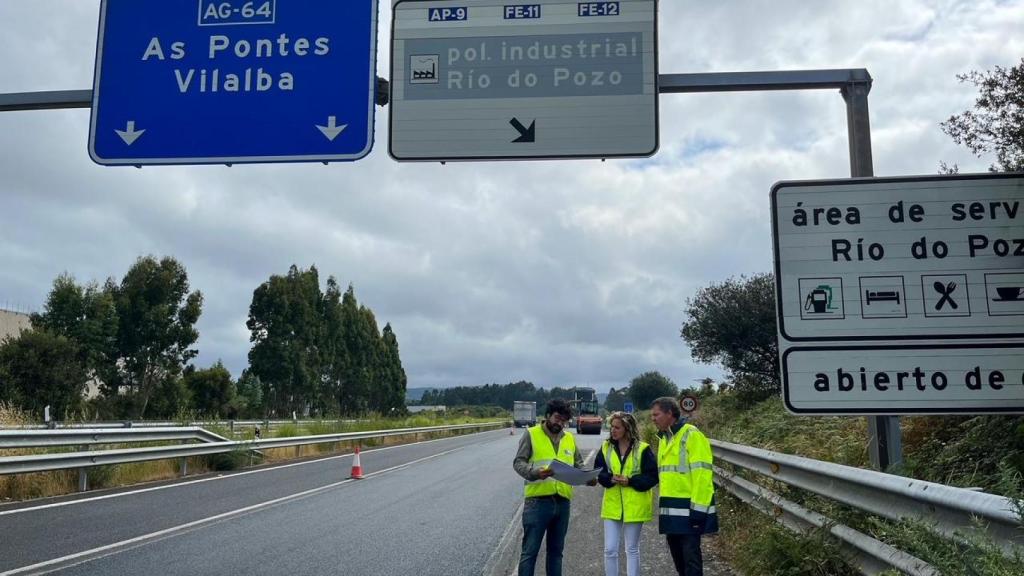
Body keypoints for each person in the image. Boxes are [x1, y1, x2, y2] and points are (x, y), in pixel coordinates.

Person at [513, 398, 597, 576]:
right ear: (548, 415)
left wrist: (587, 477)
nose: (560, 423)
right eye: (557, 418)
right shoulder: (532, 434)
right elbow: (518, 462)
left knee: (556, 553)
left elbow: (578, 464)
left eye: (564, 420)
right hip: (537, 503)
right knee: (530, 553)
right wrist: (535, 472)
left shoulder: (569, 438)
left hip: (562, 503)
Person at [650, 396, 718, 576]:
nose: (653, 419)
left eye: (656, 415)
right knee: (680, 563)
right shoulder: (665, 438)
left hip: (689, 512)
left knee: (691, 563)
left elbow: (703, 475)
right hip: (671, 514)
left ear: (669, 413)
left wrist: (699, 510)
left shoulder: (691, 435)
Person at [594, 411, 658, 576]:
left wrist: (630, 481)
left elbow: (652, 477)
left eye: (617, 427)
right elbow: (598, 472)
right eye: (611, 427)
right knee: (609, 549)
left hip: (635, 505)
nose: (613, 431)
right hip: (612, 505)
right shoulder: (606, 447)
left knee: (631, 549)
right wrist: (609, 479)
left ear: (627, 429)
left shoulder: (643, 449)